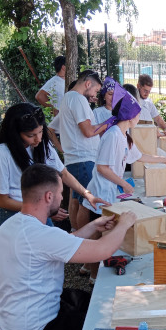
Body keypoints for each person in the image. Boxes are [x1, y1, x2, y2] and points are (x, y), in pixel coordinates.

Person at [0, 163, 137, 330]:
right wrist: (124, 224)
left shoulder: (13, 225)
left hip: (13, 327)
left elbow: (61, 242)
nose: (62, 198)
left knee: (91, 303)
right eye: (61, 194)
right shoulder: (41, 235)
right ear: (49, 196)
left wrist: (92, 226)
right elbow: (102, 250)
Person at [76, 88, 166, 282]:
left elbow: (139, 157)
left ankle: (89, 269)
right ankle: (94, 276)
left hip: (109, 192)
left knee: (101, 233)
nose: (139, 118)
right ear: (131, 117)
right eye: (138, 115)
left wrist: (163, 160)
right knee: (98, 236)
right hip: (100, 193)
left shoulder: (124, 136)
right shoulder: (113, 135)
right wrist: (125, 185)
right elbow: (103, 168)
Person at [0, 103, 107, 229]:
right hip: (12, 217)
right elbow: (1, 200)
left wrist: (87, 194)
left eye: (41, 131)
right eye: (31, 135)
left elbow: (63, 173)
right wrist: (42, 209)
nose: (38, 139)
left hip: (39, 212)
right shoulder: (1, 153)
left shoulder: (42, 145)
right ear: (15, 133)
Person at [57, 70, 103, 230]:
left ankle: (76, 235)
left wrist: (62, 148)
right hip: (83, 159)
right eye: (96, 90)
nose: (95, 94)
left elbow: (50, 128)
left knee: (76, 200)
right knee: (85, 203)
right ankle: (84, 240)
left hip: (77, 158)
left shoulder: (69, 98)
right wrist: (109, 122)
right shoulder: (77, 99)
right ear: (88, 84)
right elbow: (88, 131)